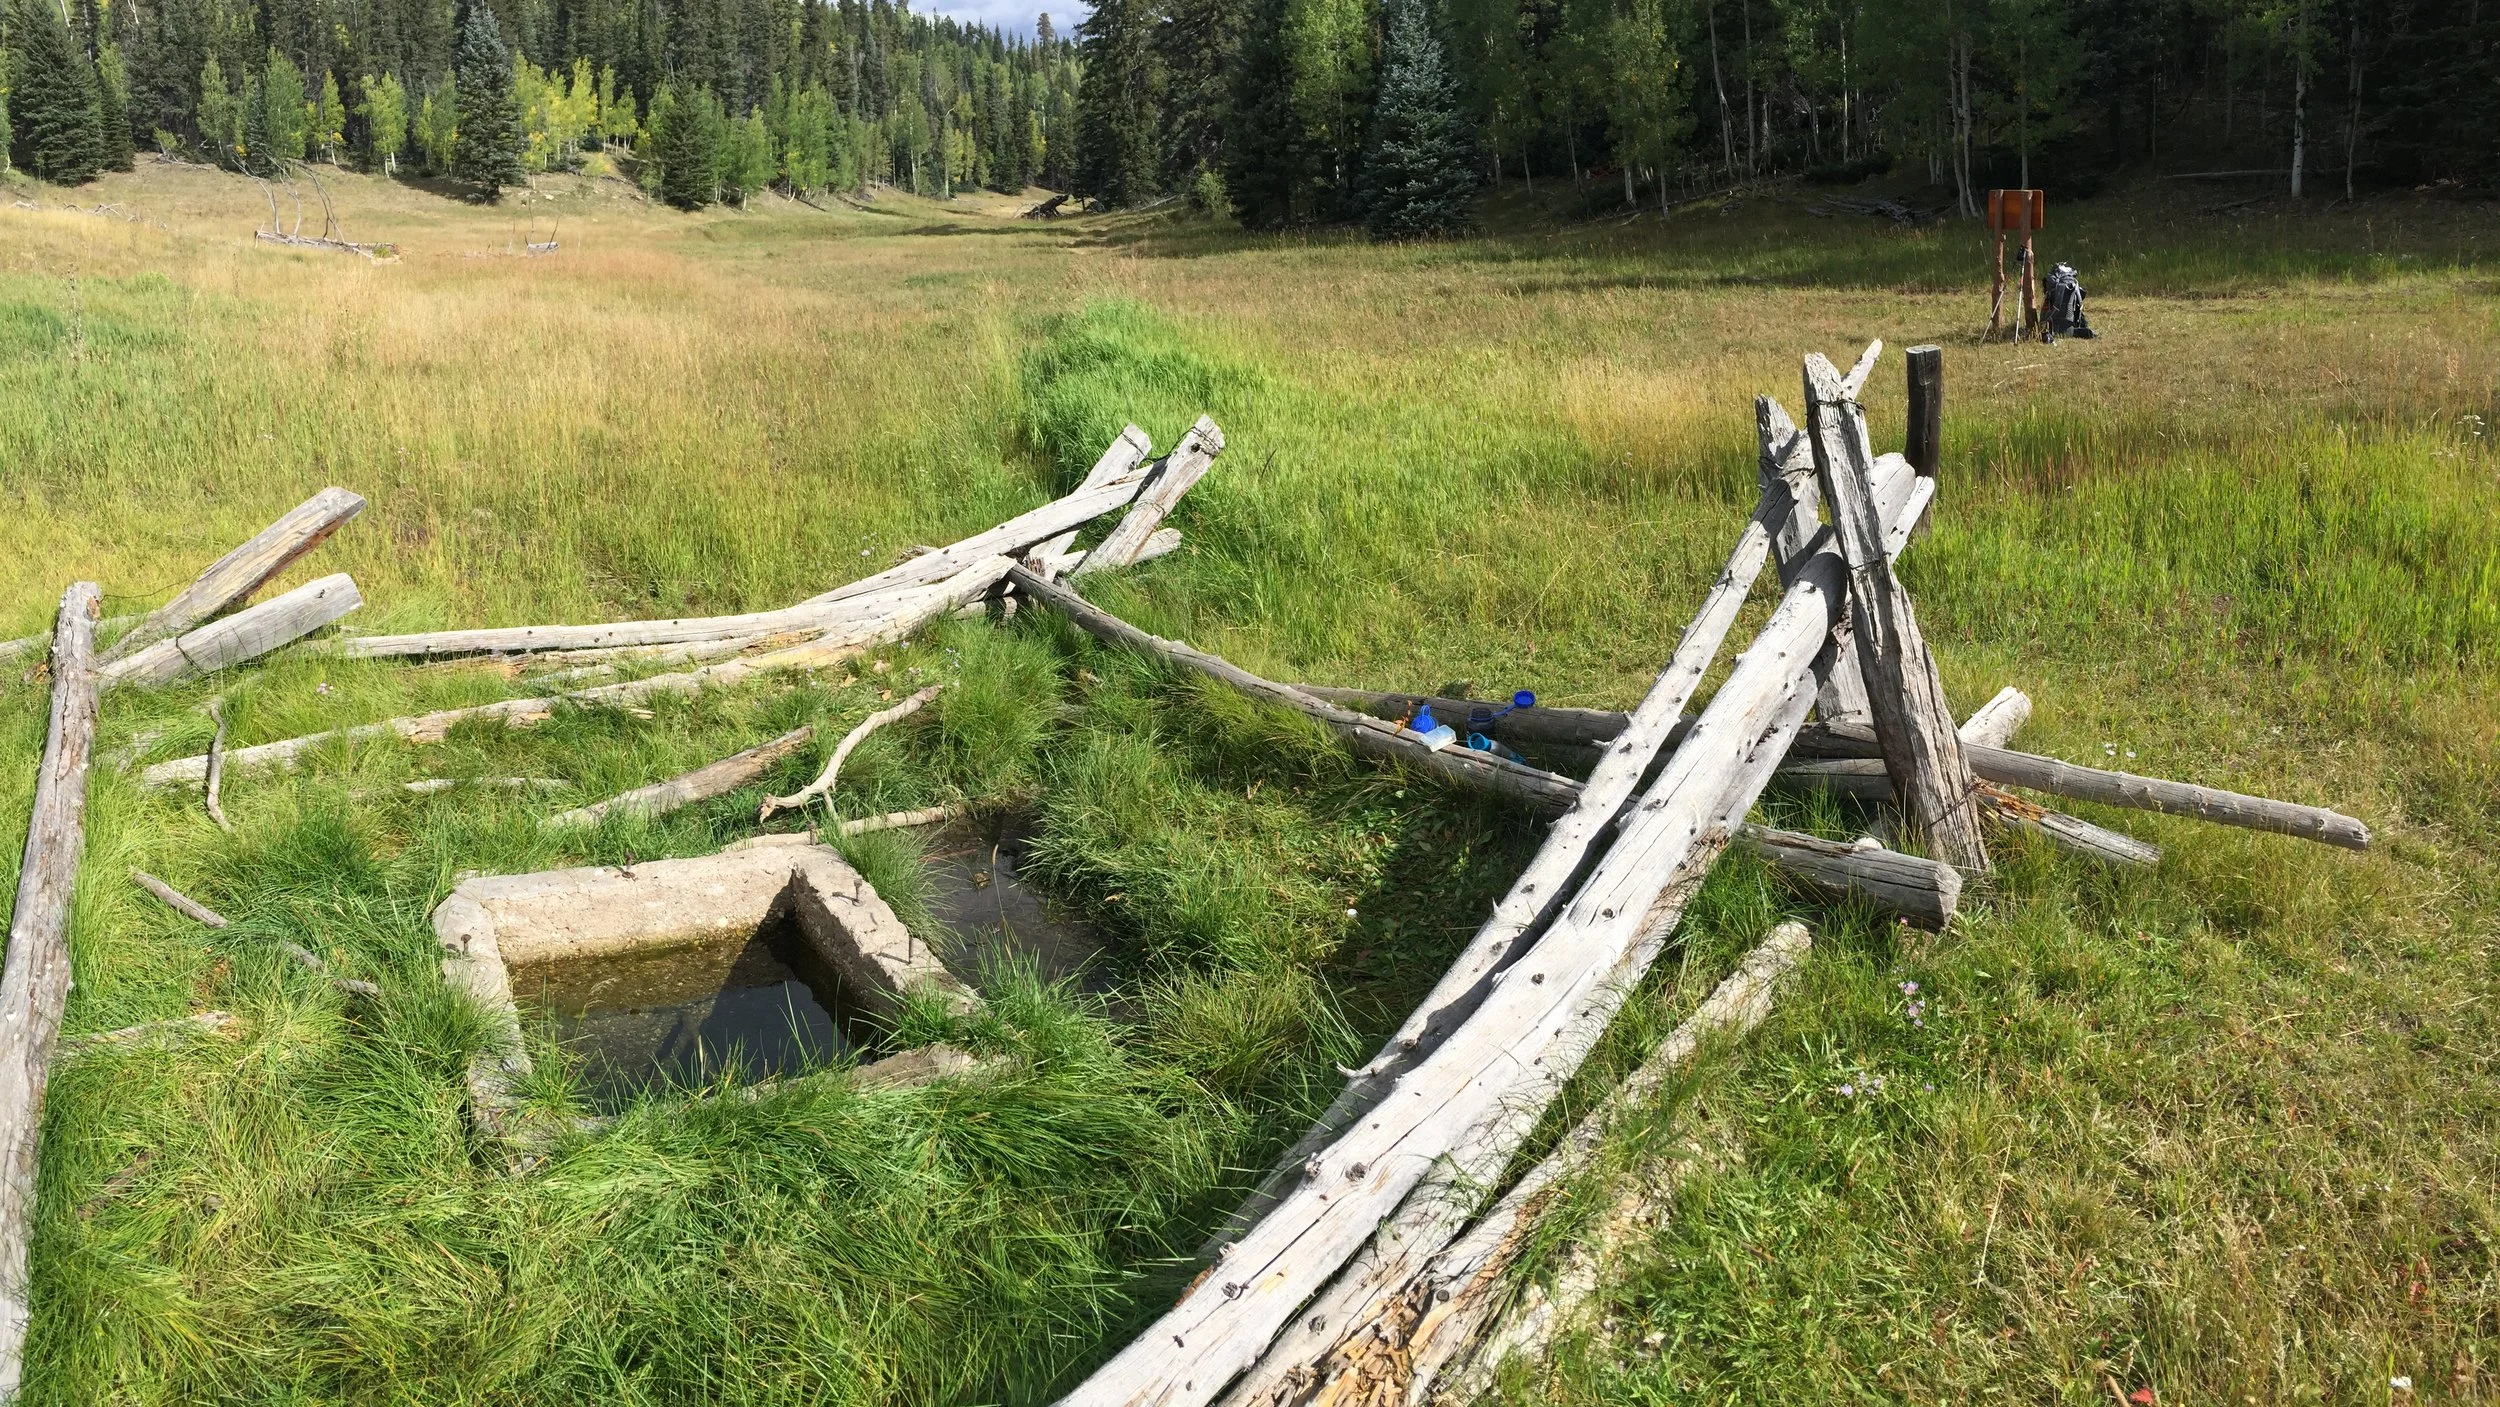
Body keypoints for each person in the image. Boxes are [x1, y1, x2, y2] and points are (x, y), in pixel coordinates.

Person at [2043, 262, 2098, 342]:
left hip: (2051, 326)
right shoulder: (2072, 285)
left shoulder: (2054, 283)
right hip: (2069, 327)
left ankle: (2055, 328)